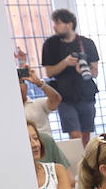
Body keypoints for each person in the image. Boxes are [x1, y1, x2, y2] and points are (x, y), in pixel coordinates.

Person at [41, 9, 101, 145]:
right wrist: (65, 63)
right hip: (64, 96)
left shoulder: (87, 43)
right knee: (75, 135)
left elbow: (95, 72)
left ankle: (85, 162)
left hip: (86, 93)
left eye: (58, 23)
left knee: (86, 135)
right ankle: (77, 162)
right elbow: (49, 72)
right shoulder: (50, 45)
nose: (54, 26)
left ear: (69, 24)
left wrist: (83, 69)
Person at [19, 69, 70, 169]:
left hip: (46, 149)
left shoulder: (38, 104)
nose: (18, 86)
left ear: (26, 85)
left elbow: (56, 99)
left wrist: (39, 83)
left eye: (21, 82)